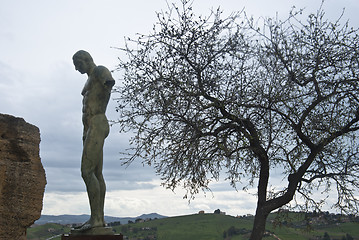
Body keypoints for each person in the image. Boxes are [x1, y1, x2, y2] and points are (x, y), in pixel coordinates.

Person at [72, 50, 115, 231]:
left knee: (86, 171)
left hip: (98, 122)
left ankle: (96, 219)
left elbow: (109, 82)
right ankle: (98, 219)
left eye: (77, 64)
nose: (76, 68)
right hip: (90, 128)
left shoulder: (99, 71)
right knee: (96, 173)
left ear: (86, 60)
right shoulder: (88, 80)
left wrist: (106, 86)